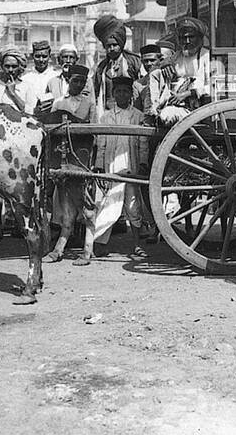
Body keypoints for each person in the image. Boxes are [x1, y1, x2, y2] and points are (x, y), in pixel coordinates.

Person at [90, 75, 149, 259]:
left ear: (131, 94)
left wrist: (142, 163)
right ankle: (99, 244)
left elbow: (143, 142)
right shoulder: (106, 116)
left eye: (125, 91)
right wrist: (99, 165)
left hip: (131, 164)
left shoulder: (138, 116)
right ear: (114, 95)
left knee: (133, 205)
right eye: (118, 92)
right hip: (112, 164)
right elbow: (101, 143)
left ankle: (137, 245)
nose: (122, 95)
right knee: (109, 203)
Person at [150, 18, 212, 123]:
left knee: (166, 115)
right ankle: (153, 111)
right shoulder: (177, 56)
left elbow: (213, 87)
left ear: (200, 38)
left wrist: (188, 93)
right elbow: (155, 69)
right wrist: (164, 65)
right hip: (174, 105)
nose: (187, 41)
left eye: (191, 37)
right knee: (155, 74)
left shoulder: (206, 56)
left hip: (198, 108)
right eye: (183, 38)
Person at [92, 14, 143, 111]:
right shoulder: (102, 68)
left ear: (121, 43)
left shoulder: (134, 62)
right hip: (108, 114)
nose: (111, 49)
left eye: (114, 45)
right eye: (108, 46)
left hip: (131, 112)